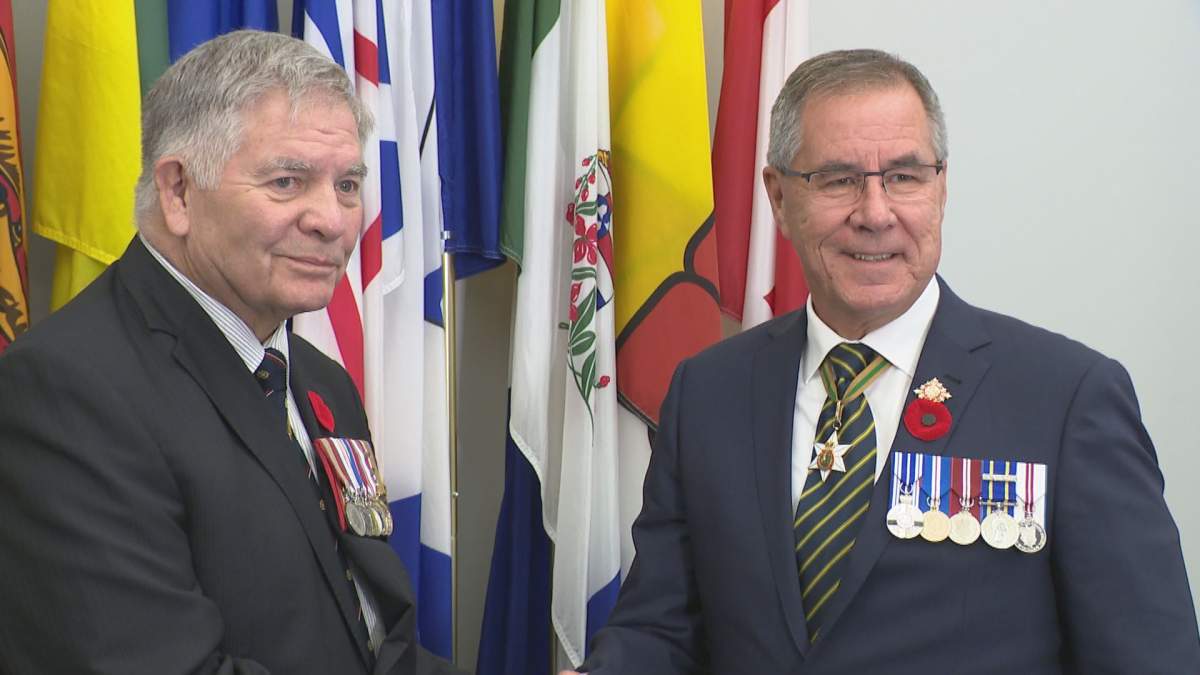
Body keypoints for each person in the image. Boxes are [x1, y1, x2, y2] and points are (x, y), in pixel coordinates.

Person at [565, 49, 1200, 674]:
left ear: (941, 187)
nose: (875, 214)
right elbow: (663, 627)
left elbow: (1148, 657)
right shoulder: (709, 392)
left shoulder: (1066, 399)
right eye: (838, 179)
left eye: (904, 176)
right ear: (779, 198)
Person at [0, 30, 459, 675]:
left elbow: (374, 634)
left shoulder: (319, 381)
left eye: (348, 185)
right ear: (179, 193)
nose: (332, 218)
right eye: (287, 181)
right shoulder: (64, 392)